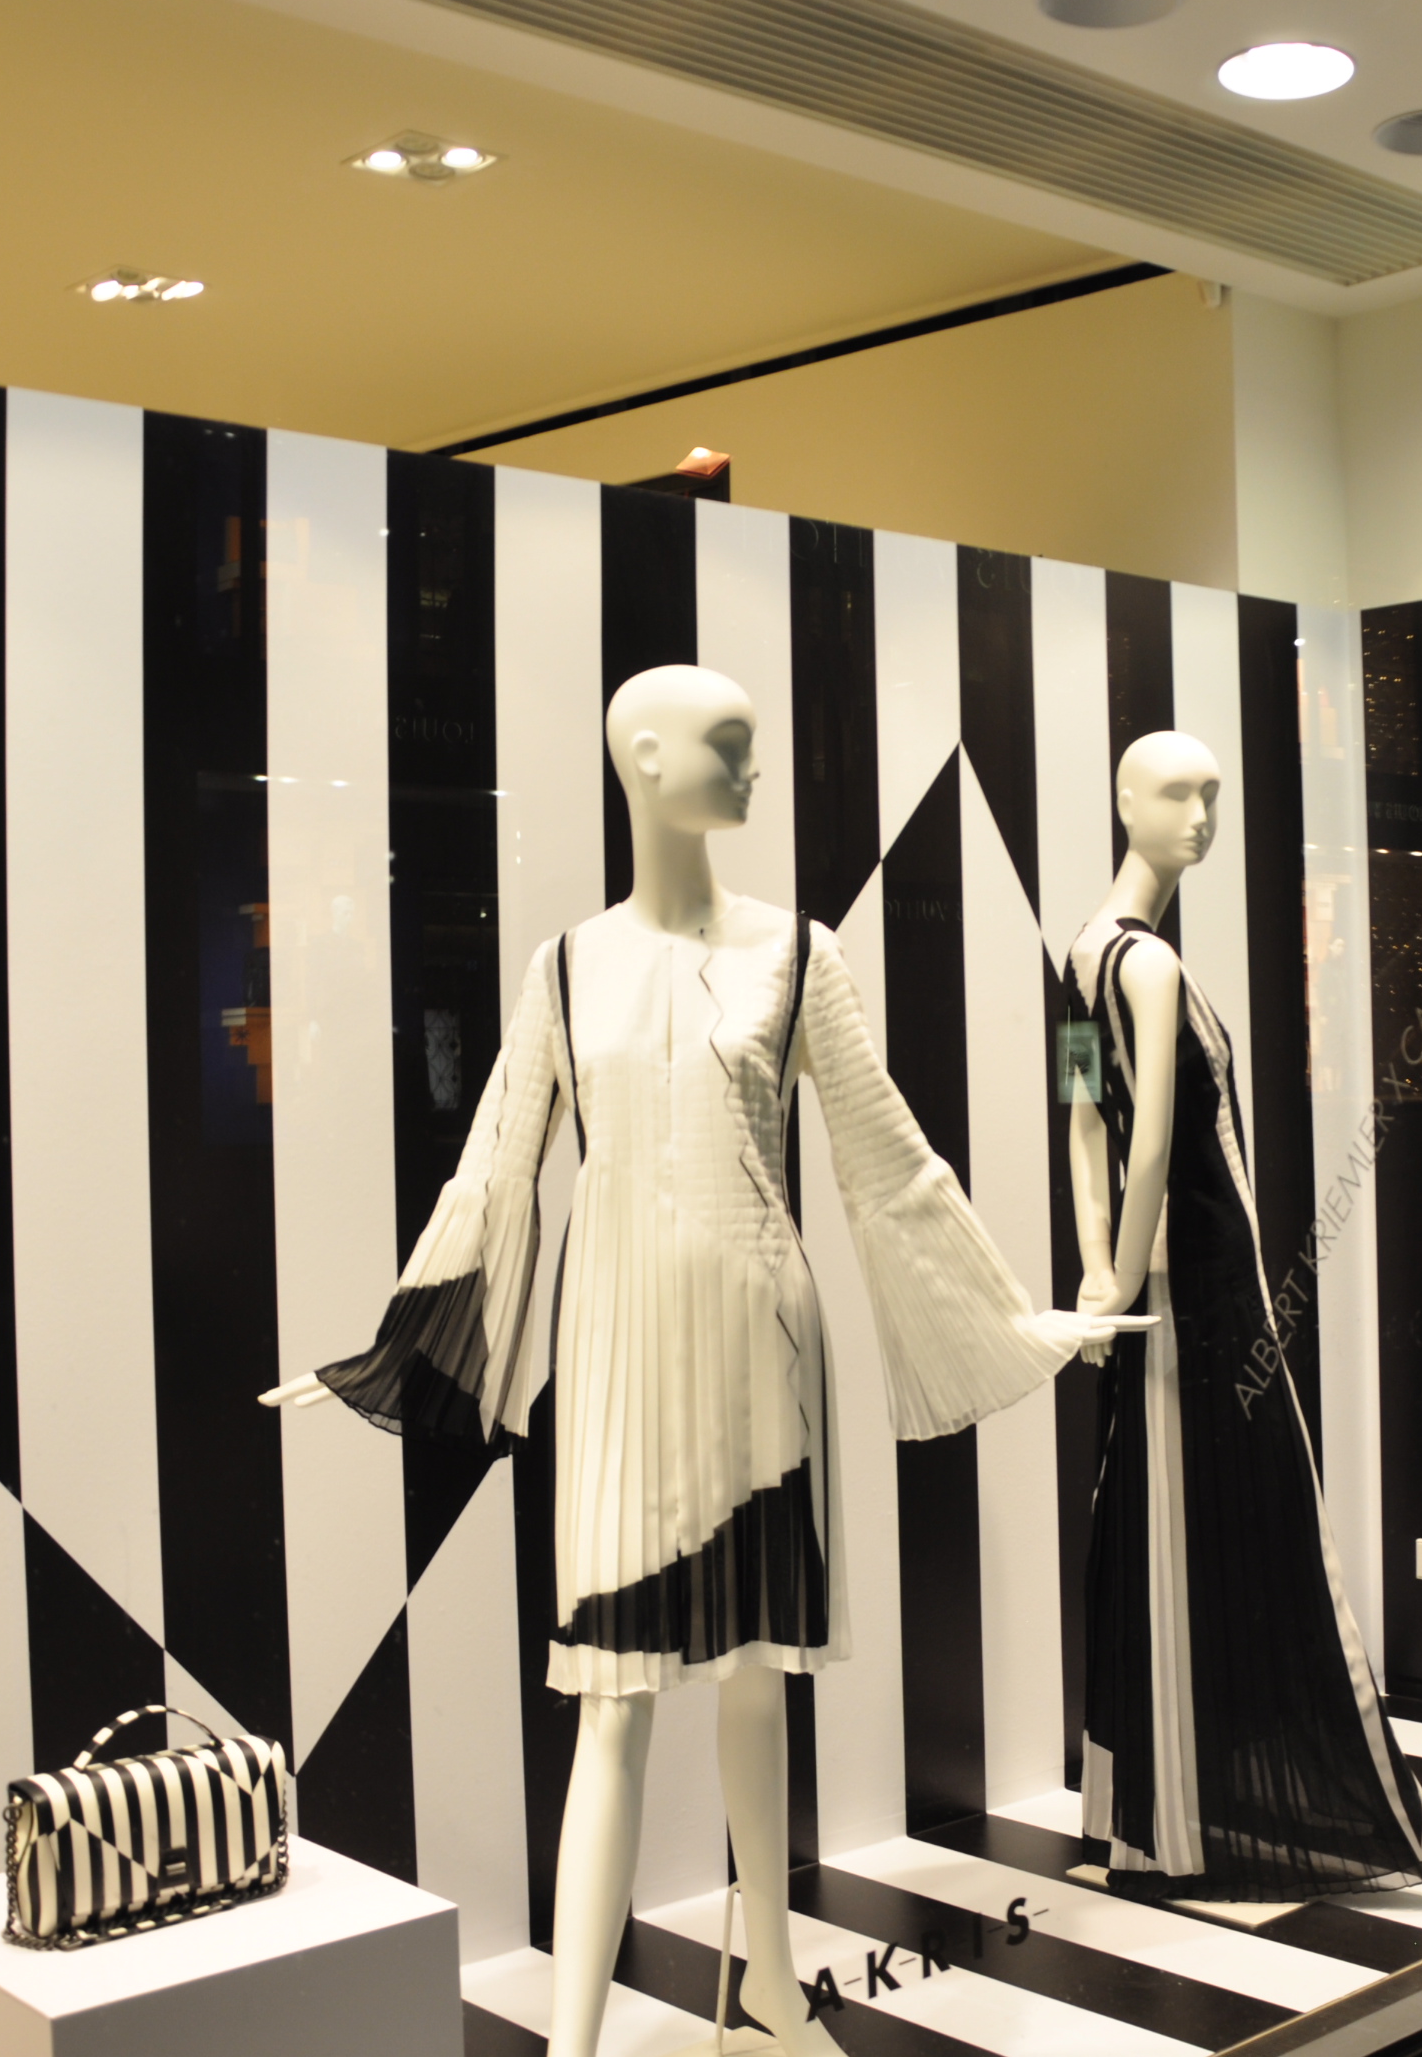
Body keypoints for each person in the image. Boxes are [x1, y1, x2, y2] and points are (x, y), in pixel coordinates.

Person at [268, 665, 1126, 2057]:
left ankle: (771, 1985)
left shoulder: (800, 954)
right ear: (645, 761)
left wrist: (1017, 1318)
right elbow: (495, 1174)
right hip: (616, 1367)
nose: (756, 766)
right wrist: (391, 1350)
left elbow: (888, 1162)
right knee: (611, 1708)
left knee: (755, 1679)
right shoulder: (565, 968)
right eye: (731, 743)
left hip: (762, 1364)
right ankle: (575, 2040)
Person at [1065, 729, 1422, 1912]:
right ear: (1125, 800)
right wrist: (1119, 1275)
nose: (1200, 817)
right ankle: (1400, 1835)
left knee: (1154, 1530)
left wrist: (1103, 1267)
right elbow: (1139, 1134)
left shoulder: (1084, 955)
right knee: (1268, 1536)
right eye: (1177, 794)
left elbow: (1084, 1117)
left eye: (1212, 795)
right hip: (1205, 1294)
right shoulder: (1147, 968)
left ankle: (1142, 1824)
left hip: (1164, 1290)